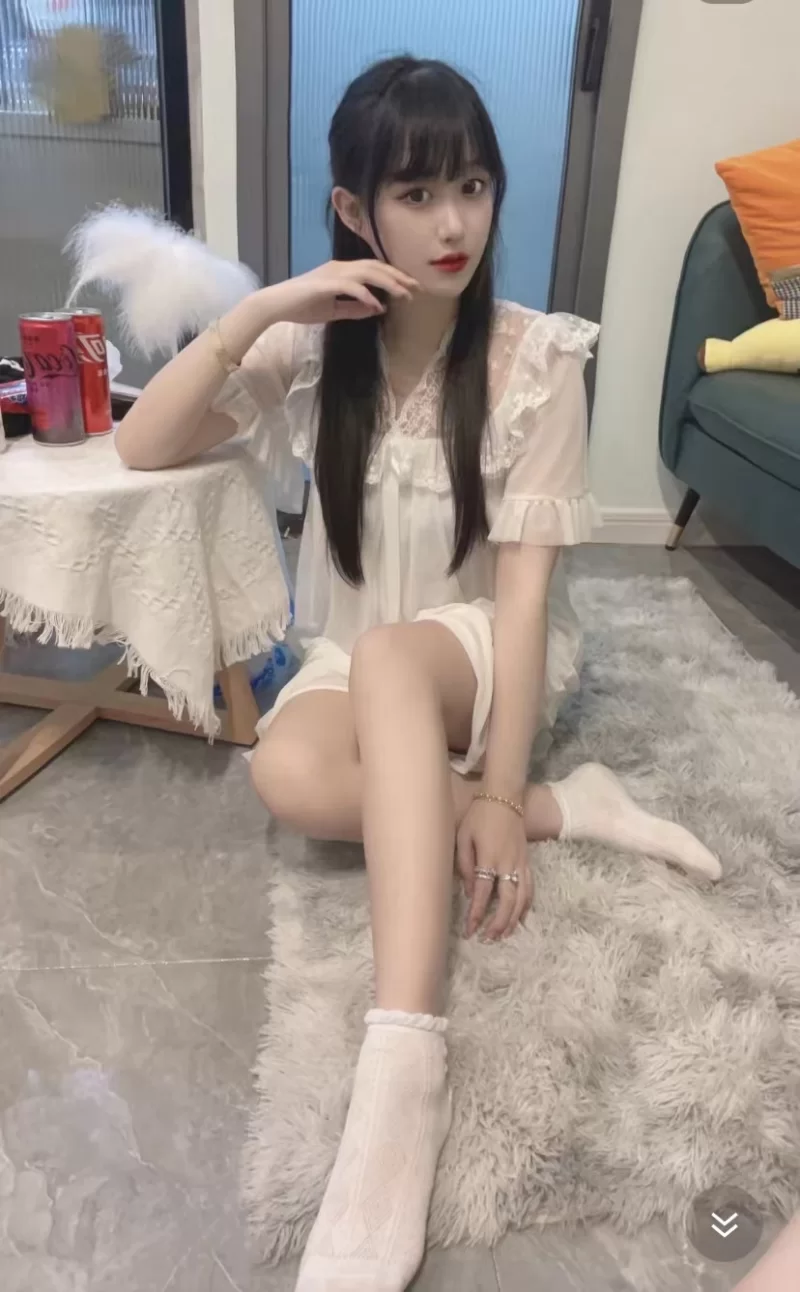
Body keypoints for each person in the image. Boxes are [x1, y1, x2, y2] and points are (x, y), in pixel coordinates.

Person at [116, 55, 723, 1292]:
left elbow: (524, 595)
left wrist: (493, 783)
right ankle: (569, 807)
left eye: (472, 186)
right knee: (284, 773)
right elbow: (140, 442)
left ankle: (402, 1068)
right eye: (415, 193)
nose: (453, 222)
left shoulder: (533, 360)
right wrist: (264, 307)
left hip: (478, 653)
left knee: (399, 655)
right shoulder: (312, 354)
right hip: (356, 655)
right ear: (355, 210)